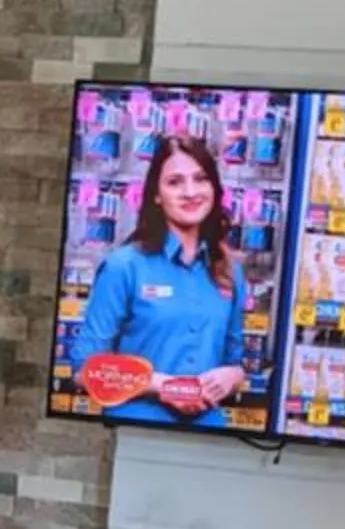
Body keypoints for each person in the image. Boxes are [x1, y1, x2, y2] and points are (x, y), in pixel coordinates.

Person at [73, 129, 250, 427]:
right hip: (136, 427)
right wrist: (162, 385)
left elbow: (236, 361)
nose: (191, 192)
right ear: (156, 194)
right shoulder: (124, 267)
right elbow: (84, 369)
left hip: (211, 433)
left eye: (201, 179)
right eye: (175, 182)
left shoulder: (231, 270)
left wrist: (233, 376)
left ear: (215, 189)